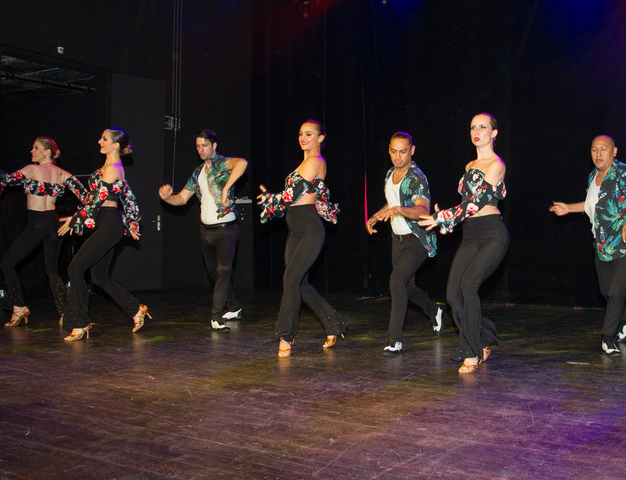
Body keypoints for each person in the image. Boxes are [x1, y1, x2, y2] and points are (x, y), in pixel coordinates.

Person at [0, 136, 85, 326]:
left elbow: (5, 182)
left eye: (36, 148)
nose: (32, 151)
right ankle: (65, 313)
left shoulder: (32, 169)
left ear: (47, 152)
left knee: (7, 264)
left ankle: (19, 306)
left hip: (38, 223)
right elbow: (88, 198)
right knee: (51, 270)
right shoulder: (63, 174)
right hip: (53, 222)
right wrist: (76, 218)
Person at [549, 135, 626, 356]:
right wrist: (568, 208)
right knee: (606, 291)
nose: (598, 154)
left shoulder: (624, 173)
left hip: (625, 242)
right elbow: (593, 205)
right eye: (594, 149)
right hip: (602, 243)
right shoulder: (593, 176)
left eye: (603, 149)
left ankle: (609, 337)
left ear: (614, 151)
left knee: (616, 291)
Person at [418, 113, 509, 374]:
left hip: (492, 234)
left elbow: (476, 204)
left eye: (483, 127)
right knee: (452, 295)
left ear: (494, 133)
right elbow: (464, 207)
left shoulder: (496, 165)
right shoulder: (470, 165)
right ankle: (482, 338)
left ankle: (472, 350)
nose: (476, 132)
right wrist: (446, 222)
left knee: (469, 285)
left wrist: (442, 217)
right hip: (470, 235)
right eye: (473, 127)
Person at [257, 119, 347, 358]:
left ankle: (286, 335)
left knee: (290, 278)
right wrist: (273, 199)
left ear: (320, 138)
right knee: (300, 284)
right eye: (300, 134)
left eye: (309, 134)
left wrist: (271, 200)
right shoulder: (304, 163)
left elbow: (291, 195)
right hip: (294, 227)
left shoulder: (315, 162)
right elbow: (290, 196)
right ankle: (335, 323)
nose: (303, 138)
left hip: (309, 229)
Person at [58, 127, 149, 341]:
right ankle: (136, 309)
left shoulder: (114, 169)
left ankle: (80, 323)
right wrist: (132, 221)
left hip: (109, 224)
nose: (100, 141)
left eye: (104, 139)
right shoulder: (108, 167)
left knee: (75, 269)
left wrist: (75, 219)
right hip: (106, 223)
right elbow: (128, 197)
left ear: (115, 145)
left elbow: (97, 200)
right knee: (99, 277)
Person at [159, 129, 247, 331]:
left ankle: (216, 317)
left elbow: (242, 163)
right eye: (198, 146)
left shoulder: (223, 164)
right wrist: (167, 198)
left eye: (204, 145)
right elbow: (182, 198)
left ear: (214, 146)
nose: (201, 149)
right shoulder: (198, 172)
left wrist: (226, 188)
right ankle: (235, 307)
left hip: (226, 229)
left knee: (224, 270)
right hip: (206, 232)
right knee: (215, 274)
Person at [365, 132, 443, 354]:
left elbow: (422, 210)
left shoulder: (417, 178)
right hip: (398, 240)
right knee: (407, 287)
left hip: (417, 239)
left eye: (402, 152)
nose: (397, 157)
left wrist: (399, 210)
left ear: (412, 151)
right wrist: (376, 215)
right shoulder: (390, 174)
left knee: (396, 281)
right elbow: (392, 202)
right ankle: (433, 310)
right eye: (393, 151)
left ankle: (395, 339)